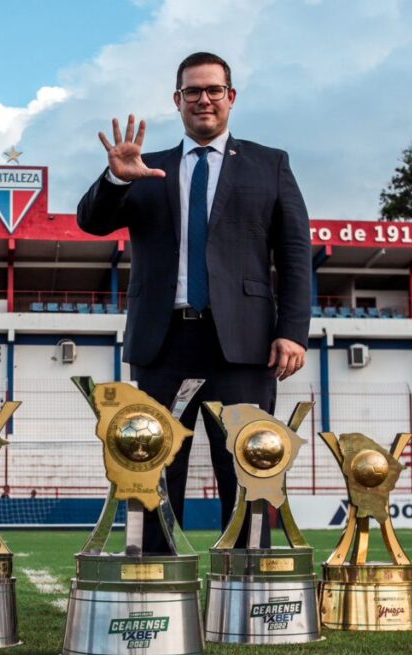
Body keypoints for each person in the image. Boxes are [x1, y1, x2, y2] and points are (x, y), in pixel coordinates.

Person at [77, 52, 311, 551]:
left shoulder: (270, 164)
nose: (203, 99)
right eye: (192, 91)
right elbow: (91, 223)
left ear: (231, 96)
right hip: (163, 343)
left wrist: (292, 329)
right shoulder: (145, 167)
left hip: (244, 345)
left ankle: (245, 587)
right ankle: (160, 584)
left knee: (248, 467)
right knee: (155, 465)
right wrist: (117, 177)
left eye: (213, 90)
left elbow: (294, 255)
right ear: (176, 100)